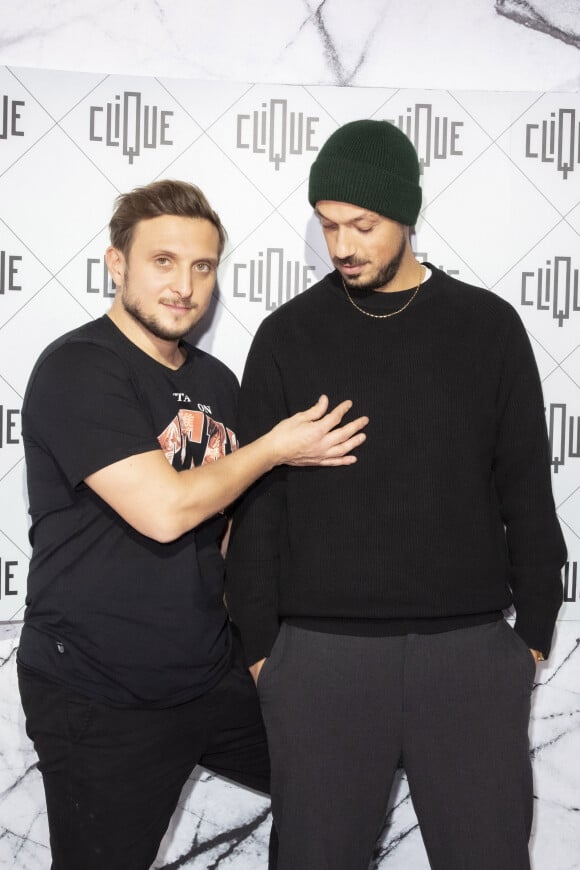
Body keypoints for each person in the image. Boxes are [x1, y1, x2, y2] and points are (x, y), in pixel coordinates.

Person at [225, 120, 567, 870]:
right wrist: (264, 655)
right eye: (327, 225)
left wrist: (529, 639)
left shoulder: (487, 327)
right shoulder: (288, 337)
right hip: (320, 661)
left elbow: (527, 491)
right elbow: (255, 510)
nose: (343, 244)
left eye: (363, 225)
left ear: (405, 215)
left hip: (469, 657)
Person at [17, 179, 368, 870]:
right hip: (100, 693)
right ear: (117, 265)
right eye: (163, 261)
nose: (185, 285)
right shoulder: (80, 369)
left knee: (337, 778)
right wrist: (274, 447)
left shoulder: (215, 381)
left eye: (202, 267)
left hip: (208, 676)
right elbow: (164, 511)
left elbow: (228, 528)